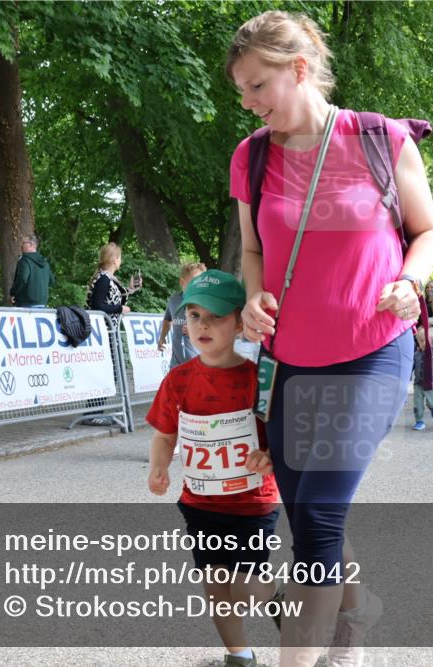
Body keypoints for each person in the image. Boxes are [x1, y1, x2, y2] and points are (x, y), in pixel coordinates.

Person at [227, 10, 433, 666]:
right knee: (310, 514)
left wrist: (411, 280)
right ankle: (356, 609)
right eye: (241, 90)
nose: (250, 102)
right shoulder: (252, 155)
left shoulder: (379, 139)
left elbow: (427, 231)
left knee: (317, 519)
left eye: (259, 85)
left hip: (374, 347)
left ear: (299, 70)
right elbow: (254, 249)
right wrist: (253, 299)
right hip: (291, 357)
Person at [147, 270, 280, 667]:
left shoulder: (260, 378)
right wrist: (158, 467)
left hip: (252, 503)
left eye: (216, 316)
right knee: (216, 585)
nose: (202, 325)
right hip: (201, 504)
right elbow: (165, 435)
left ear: (240, 322)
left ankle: (277, 598)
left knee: (245, 585)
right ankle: (238, 654)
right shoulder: (178, 380)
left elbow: (281, 436)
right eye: (194, 315)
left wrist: (269, 453)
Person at [84, 242, 140, 426]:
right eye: (120, 257)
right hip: (104, 333)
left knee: (111, 373)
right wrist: (119, 308)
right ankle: (92, 413)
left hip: (110, 332)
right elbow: (98, 306)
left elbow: (114, 299)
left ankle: (94, 411)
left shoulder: (108, 278)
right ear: (115, 259)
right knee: (108, 373)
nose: (121, 261)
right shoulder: (104, 279)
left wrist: (130, 290)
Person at [158, 262, 206, 368]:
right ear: (182, 282)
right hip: (177, 364)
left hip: (200, 363)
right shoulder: (174, 300)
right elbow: (167, 319)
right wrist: (162, 337)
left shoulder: (207, 303)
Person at [411, 320, 433, 431]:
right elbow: (412, 366)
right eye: (421, 341)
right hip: (418, 383)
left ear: (432, 340)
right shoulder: (416, 354)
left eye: (427, 340)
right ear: (418, 342)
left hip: (431, 383)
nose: (424, 343)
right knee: (417, 403)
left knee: (431, 402)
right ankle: (419, 421)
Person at [9, 234, 54, 307]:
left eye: (23, 243)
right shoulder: (45, 263)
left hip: (26, 304)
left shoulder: (24, 261)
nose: (21, 245)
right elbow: (52, 281)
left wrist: (13, 293)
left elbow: (22, 278)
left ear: (31, 245)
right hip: (42, 304)